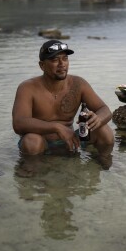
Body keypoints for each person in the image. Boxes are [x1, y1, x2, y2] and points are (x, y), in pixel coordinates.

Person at [12, 40, 114, 168]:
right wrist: (56, 127)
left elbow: (105, 110)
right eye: (55, 60)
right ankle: (32, 173)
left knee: (104, 130)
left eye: (65, 59)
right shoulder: (27, 88)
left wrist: (97, 118)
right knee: (32, 141)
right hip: (42, 144)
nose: (62, 64)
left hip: (72, 141)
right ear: (42, 65)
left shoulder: (78, 84)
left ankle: (103, 162)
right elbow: (18, 123)